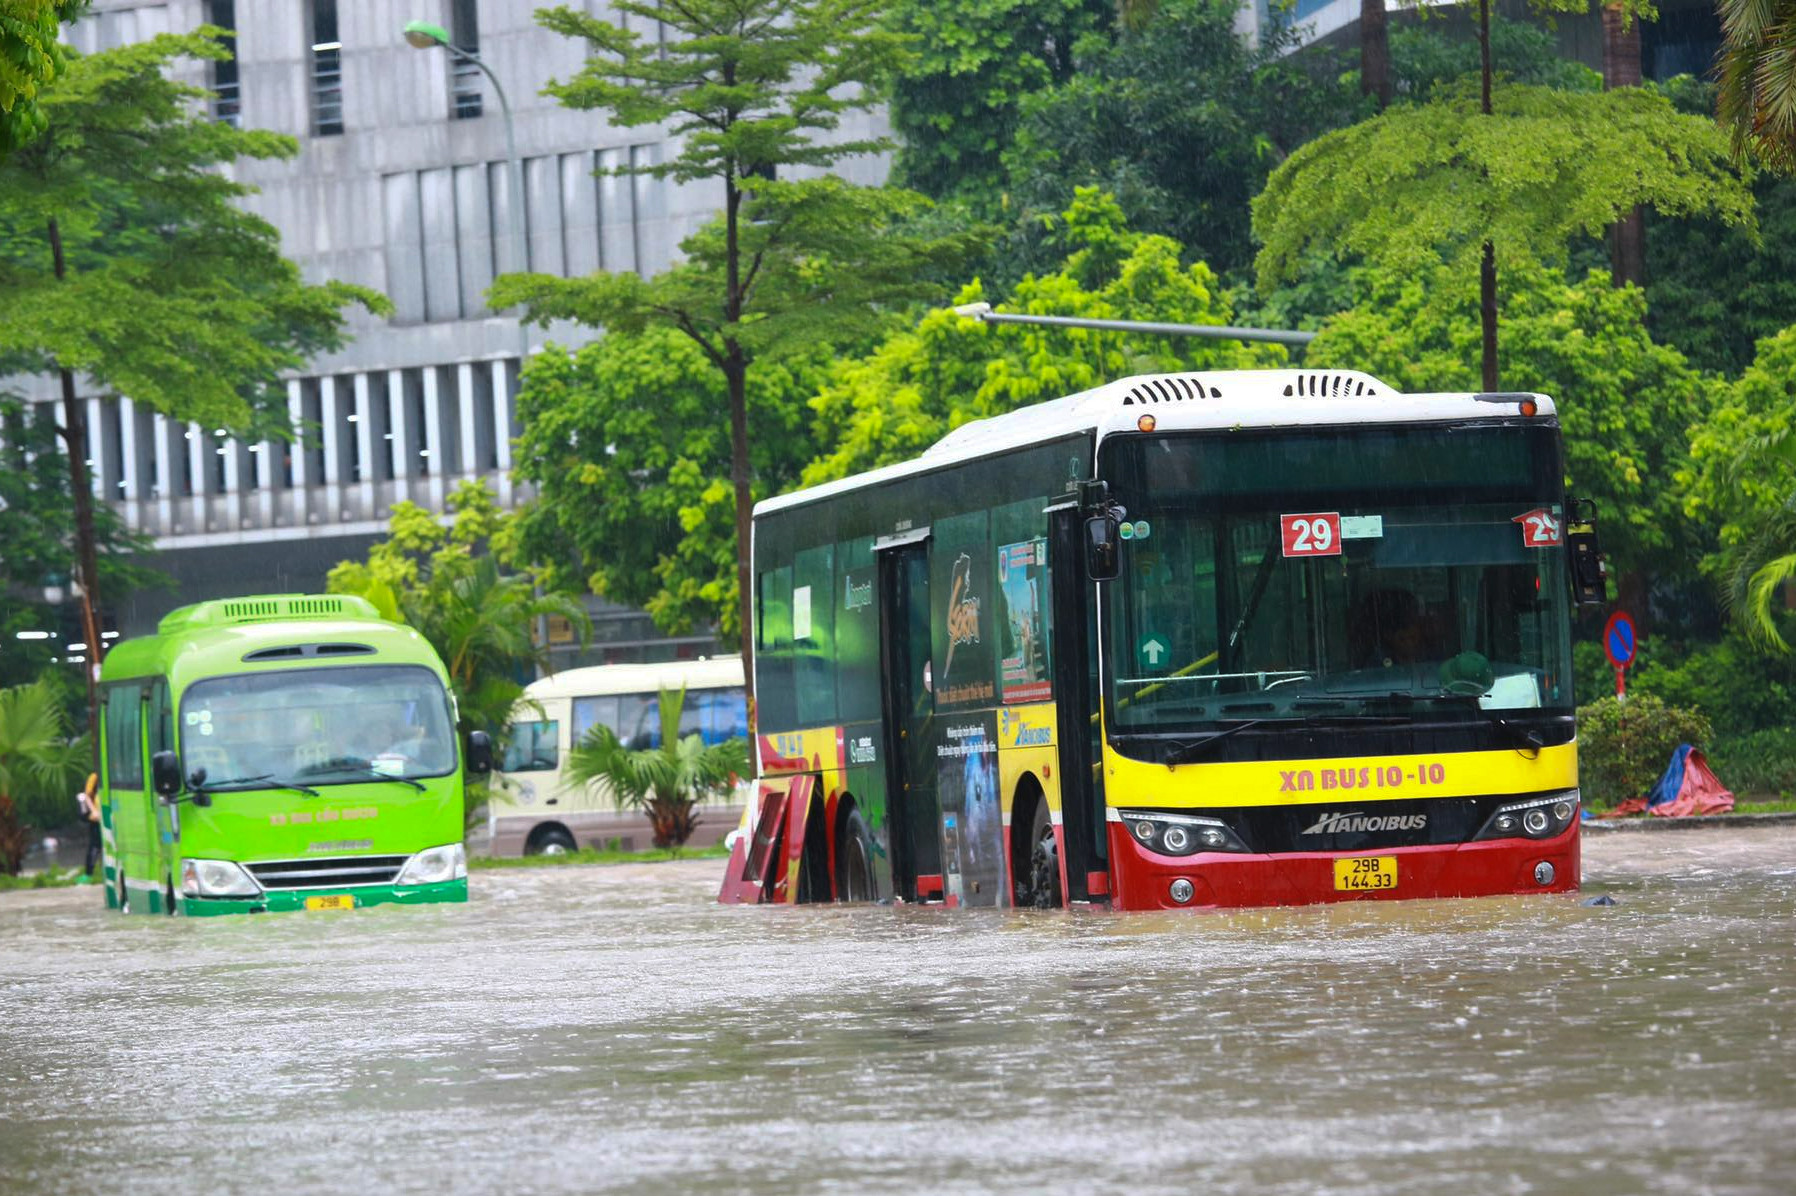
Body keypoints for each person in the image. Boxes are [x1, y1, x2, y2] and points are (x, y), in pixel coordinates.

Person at [76, 773, 101, 879]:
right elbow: (87, 795)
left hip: (108, 816)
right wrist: (94, 811)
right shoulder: (94, 777)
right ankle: (89, 874)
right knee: (95, 846)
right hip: (96, 818)